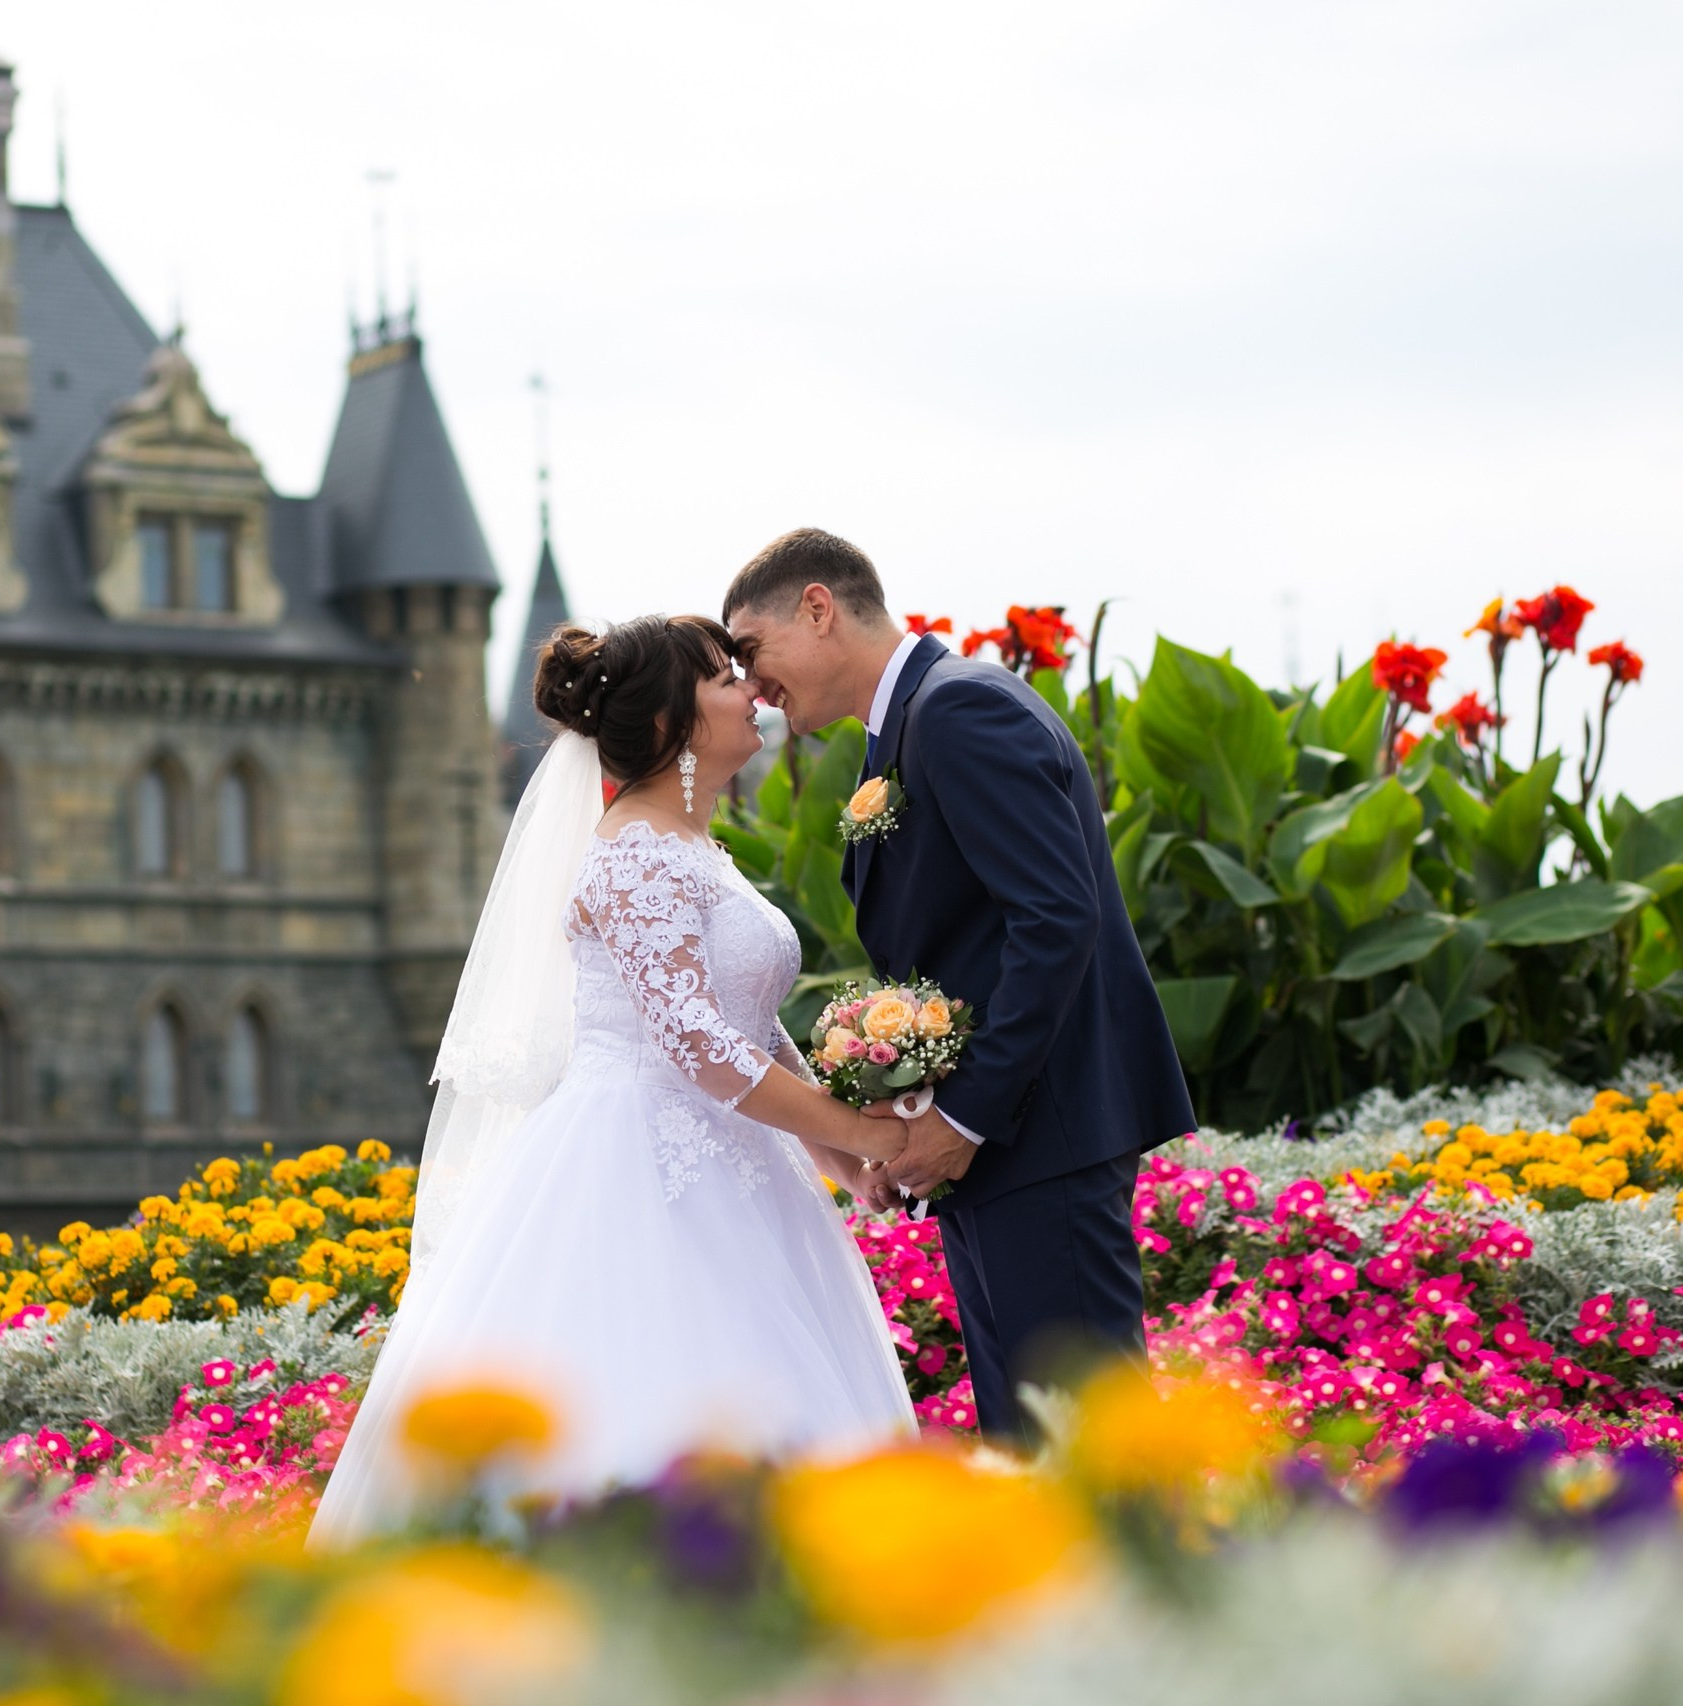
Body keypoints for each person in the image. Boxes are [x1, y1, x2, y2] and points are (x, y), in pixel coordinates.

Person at [312, 615, 915, 1546]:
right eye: (723, 678)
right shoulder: (634, 852)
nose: (749, 689)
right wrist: (871, 1130)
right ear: (673, 722)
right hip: (635, 1165)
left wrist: (835, 1150)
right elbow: (697, 1044)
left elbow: (747, 1030)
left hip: (736, 1163)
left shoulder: (695, 850)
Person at [723, 528, 1196, 1442]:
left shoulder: (961, 710)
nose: (752, 685)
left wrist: (962, 1116)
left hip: (1035, 1130)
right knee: (1029, 1442)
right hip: (998, 1146)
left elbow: (1057, 920)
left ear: (818, 607)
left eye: (753, 651)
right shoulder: (902, 731)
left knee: (1087, 1446)